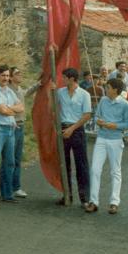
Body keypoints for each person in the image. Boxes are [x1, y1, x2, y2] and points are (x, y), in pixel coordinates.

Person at [85, 78, 128, 214]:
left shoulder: (125, 105)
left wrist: (114, 126)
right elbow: (97, 116)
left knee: (115, 171)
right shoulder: (103, 100)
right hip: (101, 138)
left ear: (115, 90)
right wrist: (98, 121)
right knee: (95, 170)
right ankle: (93, 201)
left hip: (116, 140)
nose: (106, 89)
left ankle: (114, 202)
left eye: (108, 87)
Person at [0, 65, 25, 205]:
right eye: (3, 75)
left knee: (9, 162)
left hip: (10, 129)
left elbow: (21, 107)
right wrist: (11, 110)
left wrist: (8, 109)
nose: (6, 78)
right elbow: (1, 110)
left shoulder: (9, 91)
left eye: (8, 76)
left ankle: (7, 194)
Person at [55, 67, 92, 206]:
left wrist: (72, 129)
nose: (62, 80)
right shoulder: (60, 92)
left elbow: (87, 115)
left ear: (72, 79)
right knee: (64, 164)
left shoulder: (84, 94)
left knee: (81, 164)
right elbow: (52, 107)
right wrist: (51, 91)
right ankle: (67, 195)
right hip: (63, 129)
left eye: (64, 77)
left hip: (77, 130)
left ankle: (85, 198)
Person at [8, 67, 39, 198]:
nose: (20, 75)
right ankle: (7, 188)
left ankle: (16, 187)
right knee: (9, 159)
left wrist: (38, 84)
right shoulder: (8, 90)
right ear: (10, 77)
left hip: (20, 126)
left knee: (17, 158)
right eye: (17, 73)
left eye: (20, 73)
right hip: (12, 126)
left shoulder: (19, 89)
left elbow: (27, 92)